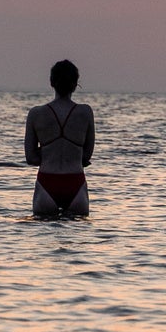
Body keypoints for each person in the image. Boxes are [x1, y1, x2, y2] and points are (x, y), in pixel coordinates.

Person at [25, 59, 95, 218]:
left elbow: (31, 158)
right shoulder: (85, 112)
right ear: (76, 84)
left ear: (51, 83)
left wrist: (50, 152)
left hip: (47, 182)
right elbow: (87, 155)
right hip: (75, 182)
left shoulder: (36, 114)